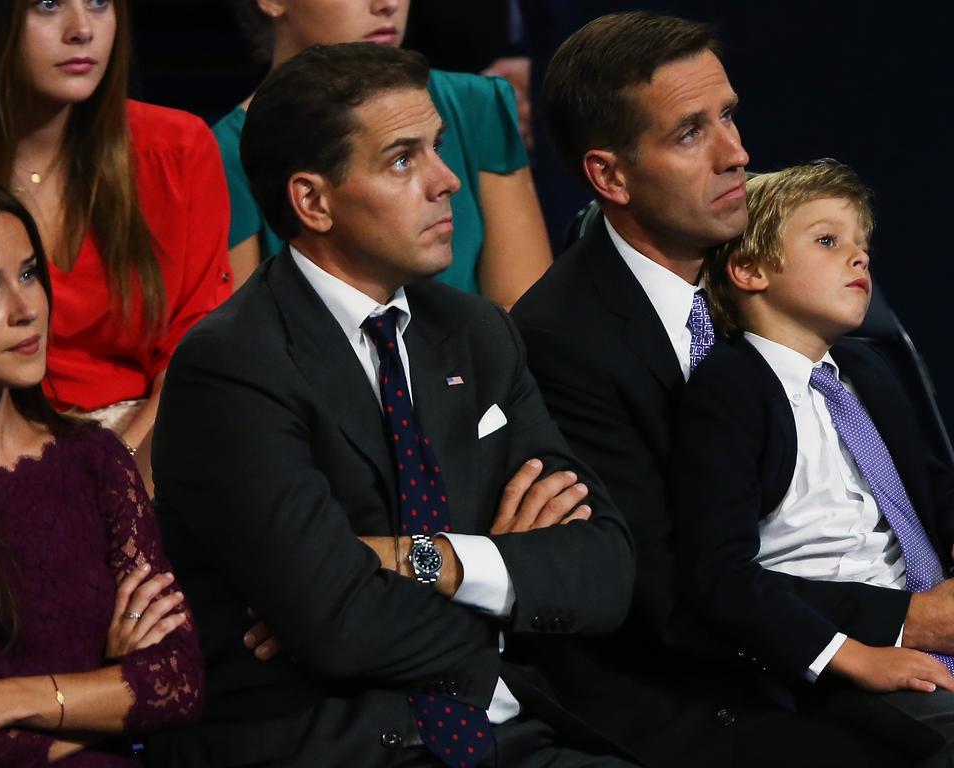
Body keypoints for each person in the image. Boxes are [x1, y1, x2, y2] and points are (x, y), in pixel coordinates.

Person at [148, 43, 637, 767]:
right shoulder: (234, 363)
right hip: (327, 742)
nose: (448, 182)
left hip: (507, 736)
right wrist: (503, 604)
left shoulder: (476, 333)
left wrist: (424, 560)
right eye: (404, 160)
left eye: (438, 149)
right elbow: (335, 622)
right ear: (312, 200)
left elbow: (604, 569)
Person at [511, 12, 908, 766]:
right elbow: (662, 591)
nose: (739, 154)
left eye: (727, 115)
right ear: (610, 175)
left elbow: (904, 453)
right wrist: (903, 620)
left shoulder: (785, 260)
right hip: (702, 690)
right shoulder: (561, 343)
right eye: (691, 133)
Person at [672, 160, 954, 767]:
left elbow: (934, 491)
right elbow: (718, 573)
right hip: (842, 660)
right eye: (828, 241)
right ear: (747, 269)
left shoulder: (871, 374)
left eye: (862, 245)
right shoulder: (730, 390)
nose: (860, 258)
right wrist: (854, 652)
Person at [0, 173, 203, 767]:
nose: (27, 308)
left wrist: (2, 700)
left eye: (29, 274)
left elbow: (177, 681)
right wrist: (106, 696)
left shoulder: (94, 460)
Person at [0, 0, 233, 494]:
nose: (82, 29)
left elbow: (198, 349)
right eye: (48, 5)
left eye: (99, 3)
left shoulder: (178, 148)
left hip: (153, 445)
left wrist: (119, 469)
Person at [216, 0, 551, 307]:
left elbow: (524, 313)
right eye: (402, 159)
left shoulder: (473, 104)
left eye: (436, 146)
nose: (387, 5)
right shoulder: (225, 153)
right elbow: (242, 344)